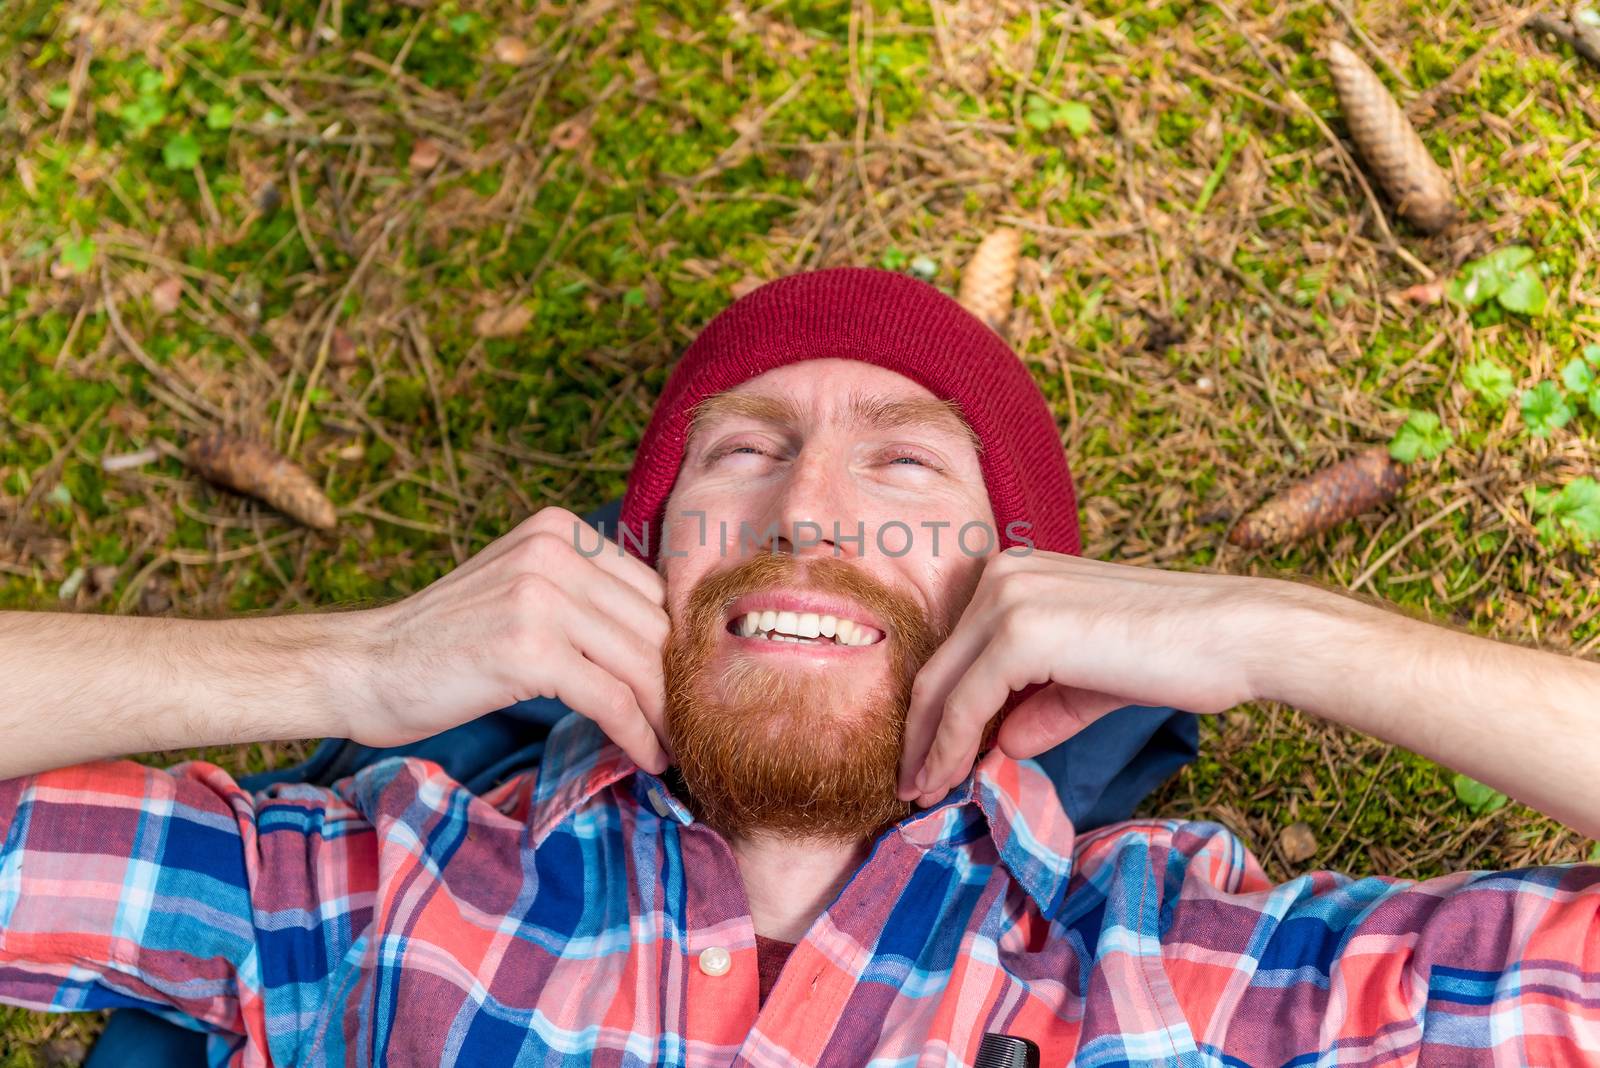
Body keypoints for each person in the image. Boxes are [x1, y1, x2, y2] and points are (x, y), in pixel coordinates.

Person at [1, 267, 1597, 1066]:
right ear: (635, 565)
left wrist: (1275, 637)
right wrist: (347, 672)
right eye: (741, 454)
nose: (808, 513)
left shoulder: (1185, 966)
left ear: (1030, 592)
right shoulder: (374, 887)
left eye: (908, 471)